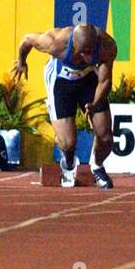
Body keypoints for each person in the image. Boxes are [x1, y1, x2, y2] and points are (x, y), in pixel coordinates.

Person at [13, 22, 117, 189]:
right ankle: (68, 160)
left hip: (88, 80)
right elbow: (27, 40)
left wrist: (95, 104)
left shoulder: (107, 45)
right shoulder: (56, 42)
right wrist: (21, 61)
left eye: (92, 52)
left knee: (105, 136)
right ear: (75, 46)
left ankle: (97, 167)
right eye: (84, 53)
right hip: (60, 81)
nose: (89, 58)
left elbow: (105, 81)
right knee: (68, 143)